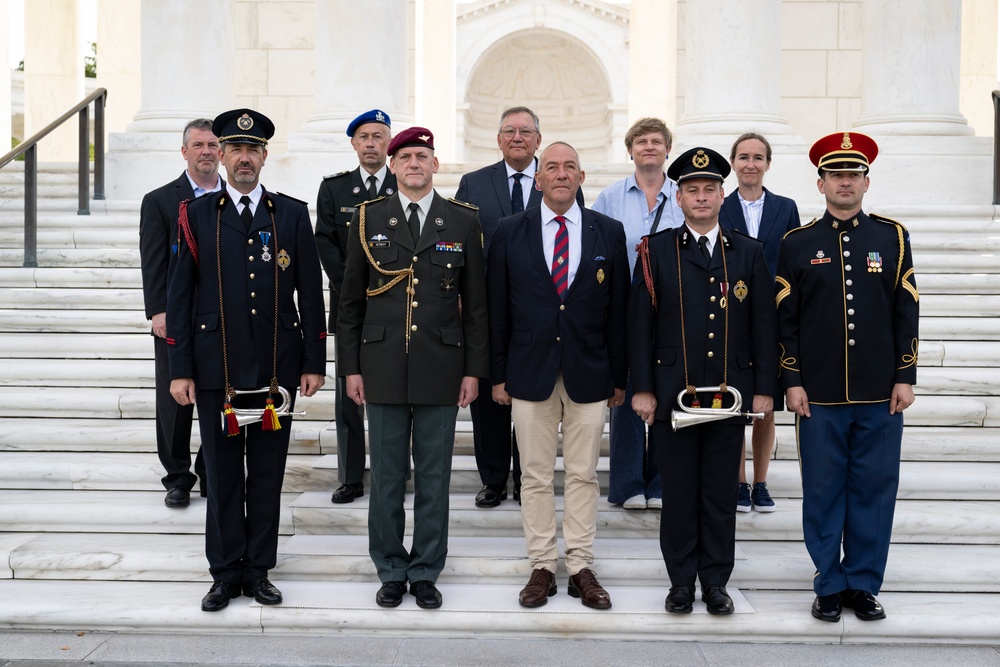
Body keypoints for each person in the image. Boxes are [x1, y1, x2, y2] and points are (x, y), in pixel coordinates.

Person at [167, 109, 327, 612]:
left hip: (277, 369)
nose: (242, 158)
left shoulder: (292, 214)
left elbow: (310, 295)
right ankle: (224, 571)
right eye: (233, 149)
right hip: (217, 369)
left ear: (263, 156)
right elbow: (181, 297)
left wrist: (314, 362)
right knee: (220, 473)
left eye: (251, 150)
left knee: (266, 473)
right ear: (221, 154)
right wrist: (180, 369)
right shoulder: (195, 214)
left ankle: (258, 570)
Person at [337, 127, 489, 610]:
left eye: (423, 155)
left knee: (433, 476)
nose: (414, 164)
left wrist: (473, 371)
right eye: (405, 157)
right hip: (379, 365)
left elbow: (478, 306)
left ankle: (425, 570)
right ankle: (389, 567)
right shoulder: (367, 218)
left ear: (435, 165)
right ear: (393, 164)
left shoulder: (462, 221)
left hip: (442, 366)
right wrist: (350, 368)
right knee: (383, 476)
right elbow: (349, 304)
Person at [777, 132, 918, 623]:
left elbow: (907, 310)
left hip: (881, 392)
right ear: (820, 184)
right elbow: (785, 319)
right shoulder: (796, 243)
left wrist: (906, 374)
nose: (844, 182)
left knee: (875, 489)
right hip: (819, 395)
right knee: (821, 490)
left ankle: (863, 582)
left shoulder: (892, 237)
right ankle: (828, 583)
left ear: (866, 181)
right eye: (835, 175)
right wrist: (791, 379)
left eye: (852, 175)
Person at [630, 147, 777, 615]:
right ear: (678, 196)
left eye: (709, 189)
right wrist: (644, 387)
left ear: (722, 194)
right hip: (675, 393)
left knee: (718, 493)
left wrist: (764, 387)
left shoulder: (748, 252)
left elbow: (763, 325)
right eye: (691, 190)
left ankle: (715, 582)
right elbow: (640, 325)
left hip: (730, 394)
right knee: (678, 493)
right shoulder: (656, 251)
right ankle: (679, 582)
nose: (701, 197)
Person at [488, 142, 628, 610]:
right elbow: (497, 310)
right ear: (539, 179)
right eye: (552, 167)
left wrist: (620, 377)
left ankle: (582, 565)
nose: (561, 174)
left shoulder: (609, 231)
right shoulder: (509, 232)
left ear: (582, 177)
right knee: (534, 475)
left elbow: (619, 312)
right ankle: (543, 566)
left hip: (590, 373)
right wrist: (498, 375)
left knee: (585, 474)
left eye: (570, 166)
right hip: (529, 372)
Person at [456, 106, 583, 509]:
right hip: (486, 310)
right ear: (497, 139)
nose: (517, 137)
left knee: (532, 395)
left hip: (539, 313)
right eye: (509, 131)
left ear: (538, 140)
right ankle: (493, 479)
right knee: (490, 400)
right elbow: (458, 244)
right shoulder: (473, 184)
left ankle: (528, 477)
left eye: (526, 131)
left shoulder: (556, 182)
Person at [592, 117, 684, 511]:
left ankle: (663, 482)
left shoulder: (683, 194)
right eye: (642, 141)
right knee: (626, 392)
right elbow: (593, 245)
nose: (649, 147)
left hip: (674, 305)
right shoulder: (611, 197)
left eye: (657, 141)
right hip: (624, 307)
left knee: (667, 389)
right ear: (630, 150)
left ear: (667, 149)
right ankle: (628, 482)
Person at [315, 109, 397, 505]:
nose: (370, 143)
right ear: (353, 143)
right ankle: (350, 476)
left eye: (378, 136)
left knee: (397, 390)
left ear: (389, 143)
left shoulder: (406, 182)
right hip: (350, 307)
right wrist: (353, 286)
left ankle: (395, 470)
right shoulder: (334, 189)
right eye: (363, 136)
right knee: (349, 393)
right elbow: (325, 242)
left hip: (398, 305)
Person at [139, 118, 220, 508]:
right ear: (184, 151)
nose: (207, 151)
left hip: (222, 315)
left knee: (221, 395)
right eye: (199, 145)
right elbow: (153, 261)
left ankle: (211, 470)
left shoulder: (234, 198)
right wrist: (158, 311)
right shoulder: (159, 200)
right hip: (177, 316)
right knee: (174, 401)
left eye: (213, 145)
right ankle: (177, 476)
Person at [719, 132, 801, 514]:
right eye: (743, 156)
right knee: (735, 400)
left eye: (758, 157)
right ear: (733, 163)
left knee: (766, 403)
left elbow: (795, 262)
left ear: (768, 163)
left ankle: (760, 481)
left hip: (772, 317)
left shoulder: (786, 207)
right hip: (729, 315)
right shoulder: (719, 206)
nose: (750, 163)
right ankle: (736, 482)